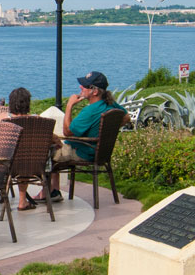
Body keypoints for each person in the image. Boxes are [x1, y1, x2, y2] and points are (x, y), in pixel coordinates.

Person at [35, 72, 127, 204]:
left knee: (45, 151)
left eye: (84, 86)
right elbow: (126, 117)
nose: (80, 87)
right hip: (99, 152)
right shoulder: (111, 105)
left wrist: (69, 106)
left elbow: (67, 132)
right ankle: (54, 190)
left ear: (94, 91)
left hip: (82, 152)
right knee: (56, 147)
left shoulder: (89, 111)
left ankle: (46, 192)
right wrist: (107, 129)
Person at [4, 87, 39, 210]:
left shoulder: (4, 120)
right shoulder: (37, 121)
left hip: (6, 165)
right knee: (25, 160)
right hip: (33, 165)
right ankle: (23, 200)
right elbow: (52, 137)